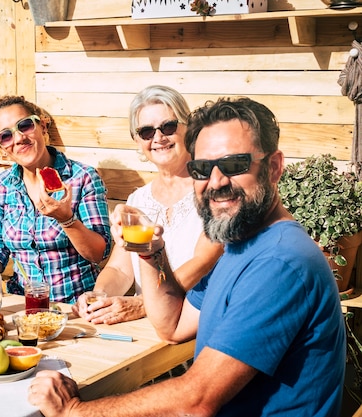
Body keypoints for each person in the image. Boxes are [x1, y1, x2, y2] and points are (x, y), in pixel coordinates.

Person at [28, 97, 346, 416]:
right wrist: (150, 251)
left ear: (274, 167)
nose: (217, 181)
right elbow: (173, 325)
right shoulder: (240, 242)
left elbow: (196, 401)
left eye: (235, 164)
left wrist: (73, 410)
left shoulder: (277, 262)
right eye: (203, 168)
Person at [72, 85, 222, 325]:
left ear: (188, 129)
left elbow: (204, 262)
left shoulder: (213, 188)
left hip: (197, 322)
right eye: (146, 132)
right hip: (150, 326)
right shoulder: (138, 200)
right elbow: (120, 270)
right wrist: (98, 296)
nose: (159, 138)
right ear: (137, 140)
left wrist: (144, 304)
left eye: (169, 127)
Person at [0, 95, 111, 304]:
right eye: (6, 136)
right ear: (1, 148)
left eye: (25, 125)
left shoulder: (82, 177)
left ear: (42, 127)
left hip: (78, 306)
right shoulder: (1, 185)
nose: (19, 138)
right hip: (24, 305)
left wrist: (66, 219)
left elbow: (98, 253)